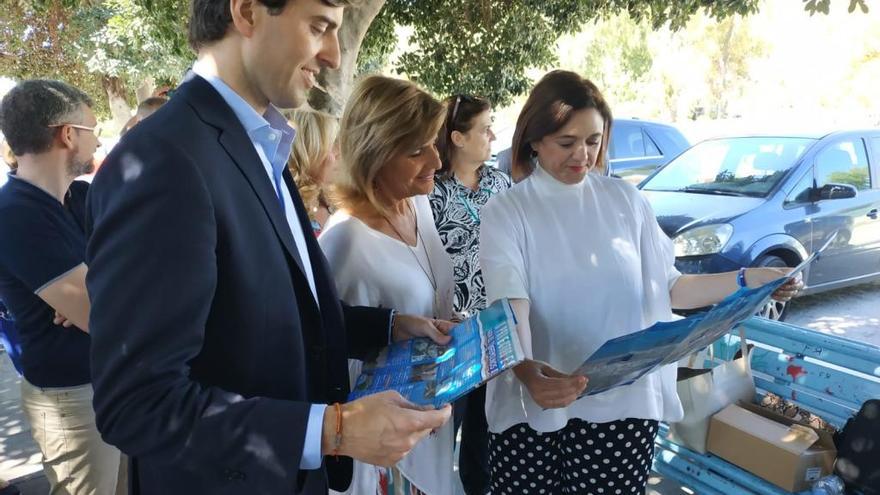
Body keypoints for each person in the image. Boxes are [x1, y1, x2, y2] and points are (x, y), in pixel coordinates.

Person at [84, 1, 452, 494]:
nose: (333, 56)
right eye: (319, 27)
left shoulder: (257, 142)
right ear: (247, 12)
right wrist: (332, 429)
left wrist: (387, 326)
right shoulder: (165, 160)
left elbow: (272, 315)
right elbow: (139, 404)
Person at [479, 70, 803, 494]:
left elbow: (671, 287)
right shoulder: (507, 211)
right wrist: (526, 370)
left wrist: (750, 279)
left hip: (623, 407)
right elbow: (511, 303)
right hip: (535, 403)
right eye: (566, 142)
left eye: (593, 141)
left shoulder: (624, 201)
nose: (582, 155)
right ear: (534, 140)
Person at [319, 75, 456, 495]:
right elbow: (335, 356)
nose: (436, 160)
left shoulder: (419, 206)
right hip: (383, 453)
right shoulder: (346, 241)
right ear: (374, 156)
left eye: (435, 143)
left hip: (429, 422)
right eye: (417, 151)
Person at [0, 79, 125, 494]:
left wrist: (102, 283)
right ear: (67, 135)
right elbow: (100, 313)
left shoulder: (80, 198)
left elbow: (143, 264)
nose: (97, 141)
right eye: (93, 130)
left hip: (109, 383)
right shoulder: (16, 214)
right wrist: (98, 291)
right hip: (72, 399)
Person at [428, 94, 510, 495]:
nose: (493, 135)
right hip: (450, 334)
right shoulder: (431, 191)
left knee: (484, 435)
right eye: (484, 128)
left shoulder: (500, 183)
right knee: (442, 431)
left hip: (495, 328)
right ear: (458, 138)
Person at [288, 108, 339, 235]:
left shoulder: (329, 200)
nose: (339, 154)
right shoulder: (288, 206)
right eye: (332, 145)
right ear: (309, 151)